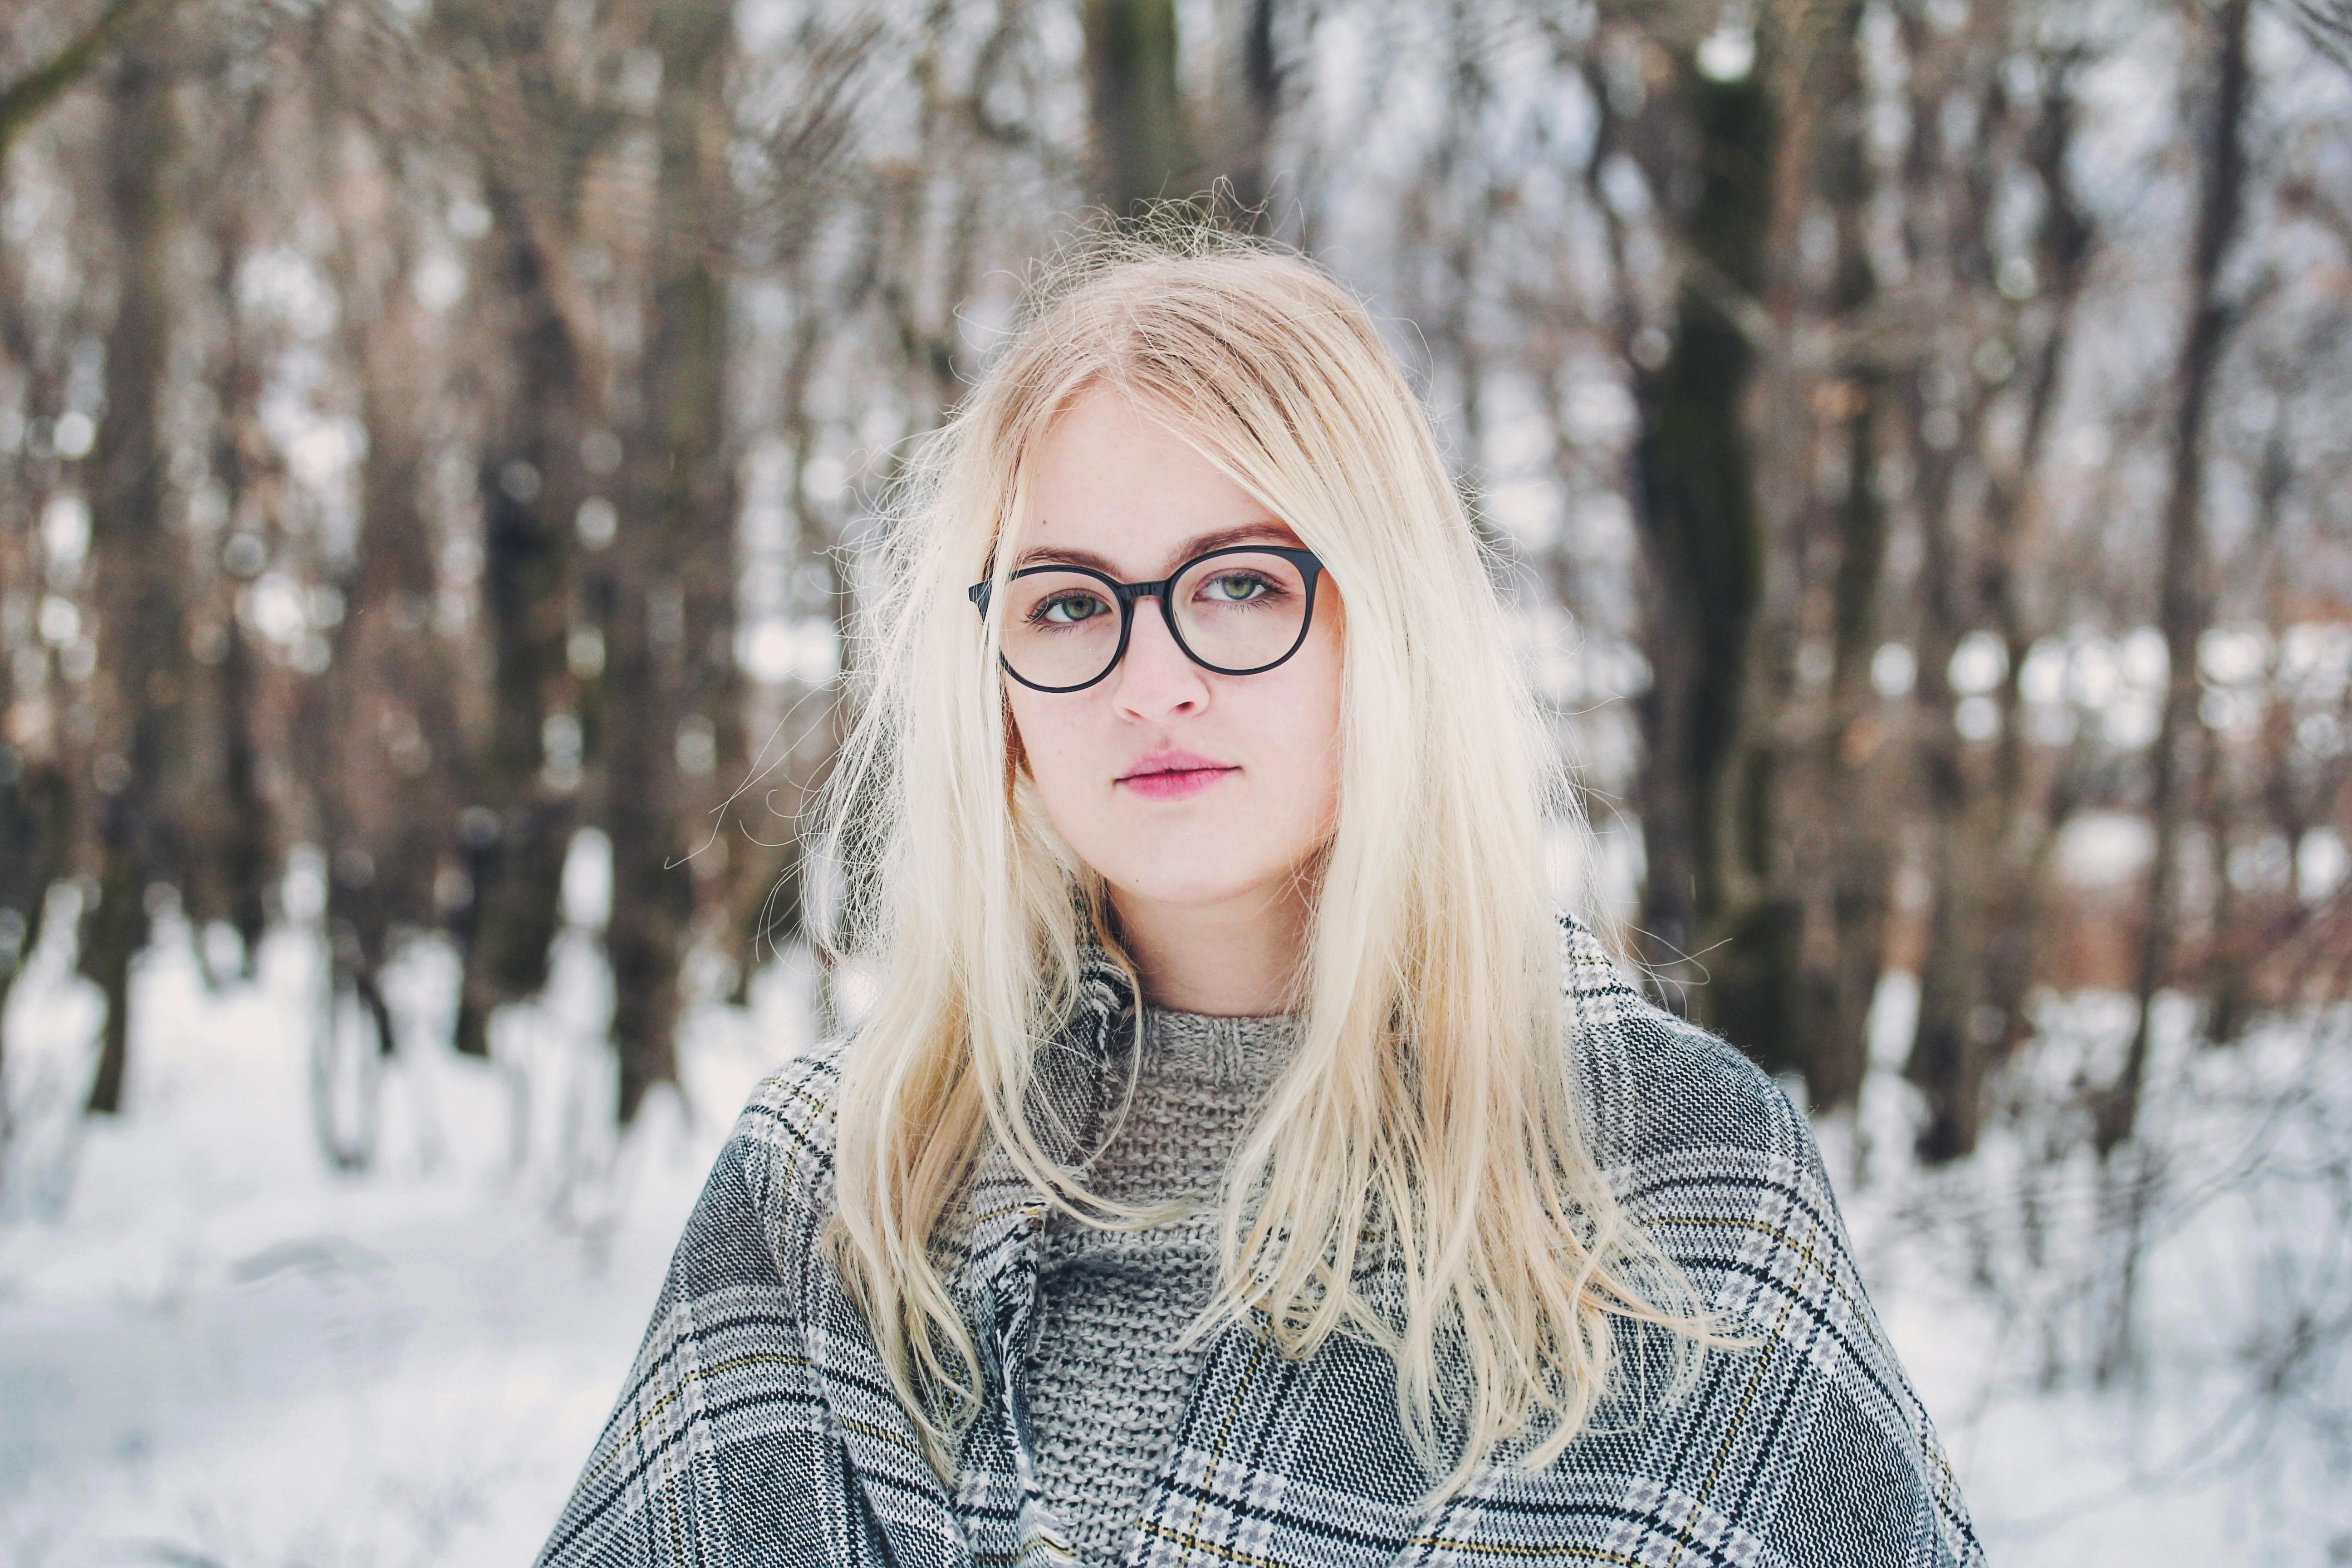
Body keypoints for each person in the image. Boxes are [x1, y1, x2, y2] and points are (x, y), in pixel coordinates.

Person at [536, 232, 1980, 1568]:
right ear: (994, 683)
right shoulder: (840, 1184)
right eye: (1066, 602)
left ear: (1389, 625)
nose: (1149, 677)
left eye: (1238, 586)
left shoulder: (1674, 1175)